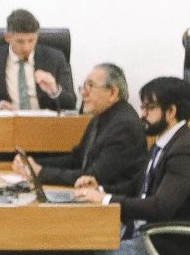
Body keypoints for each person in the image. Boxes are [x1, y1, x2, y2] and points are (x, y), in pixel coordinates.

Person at [77, 75, 190, 231]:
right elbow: (137, 185)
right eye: (143, 107)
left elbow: (160, 207)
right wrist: (100, 189)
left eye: (150, 108)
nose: (143, 114)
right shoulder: (166, 142)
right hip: (142, 230)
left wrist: (106, 200)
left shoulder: (186, 153)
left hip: (163, 240)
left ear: (171, 111)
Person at [17, 63, 146, 192]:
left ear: (112, 92)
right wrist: (32, 163)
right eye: (83, 87)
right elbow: (75, 160)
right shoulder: (99, 117)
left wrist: (41, 173)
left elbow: (93, 177)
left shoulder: (125, 126)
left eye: (90, 86)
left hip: (113, 201)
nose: (83, 93)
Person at [0, 9, 76, 113]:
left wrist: (54, 90)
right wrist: (0, 104)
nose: (26, 47)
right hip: (11, 119)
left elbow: (71, 103)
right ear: (8, 37)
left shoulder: (55, 57)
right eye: (20, 41)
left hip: (44, 120)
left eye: (31, 40)